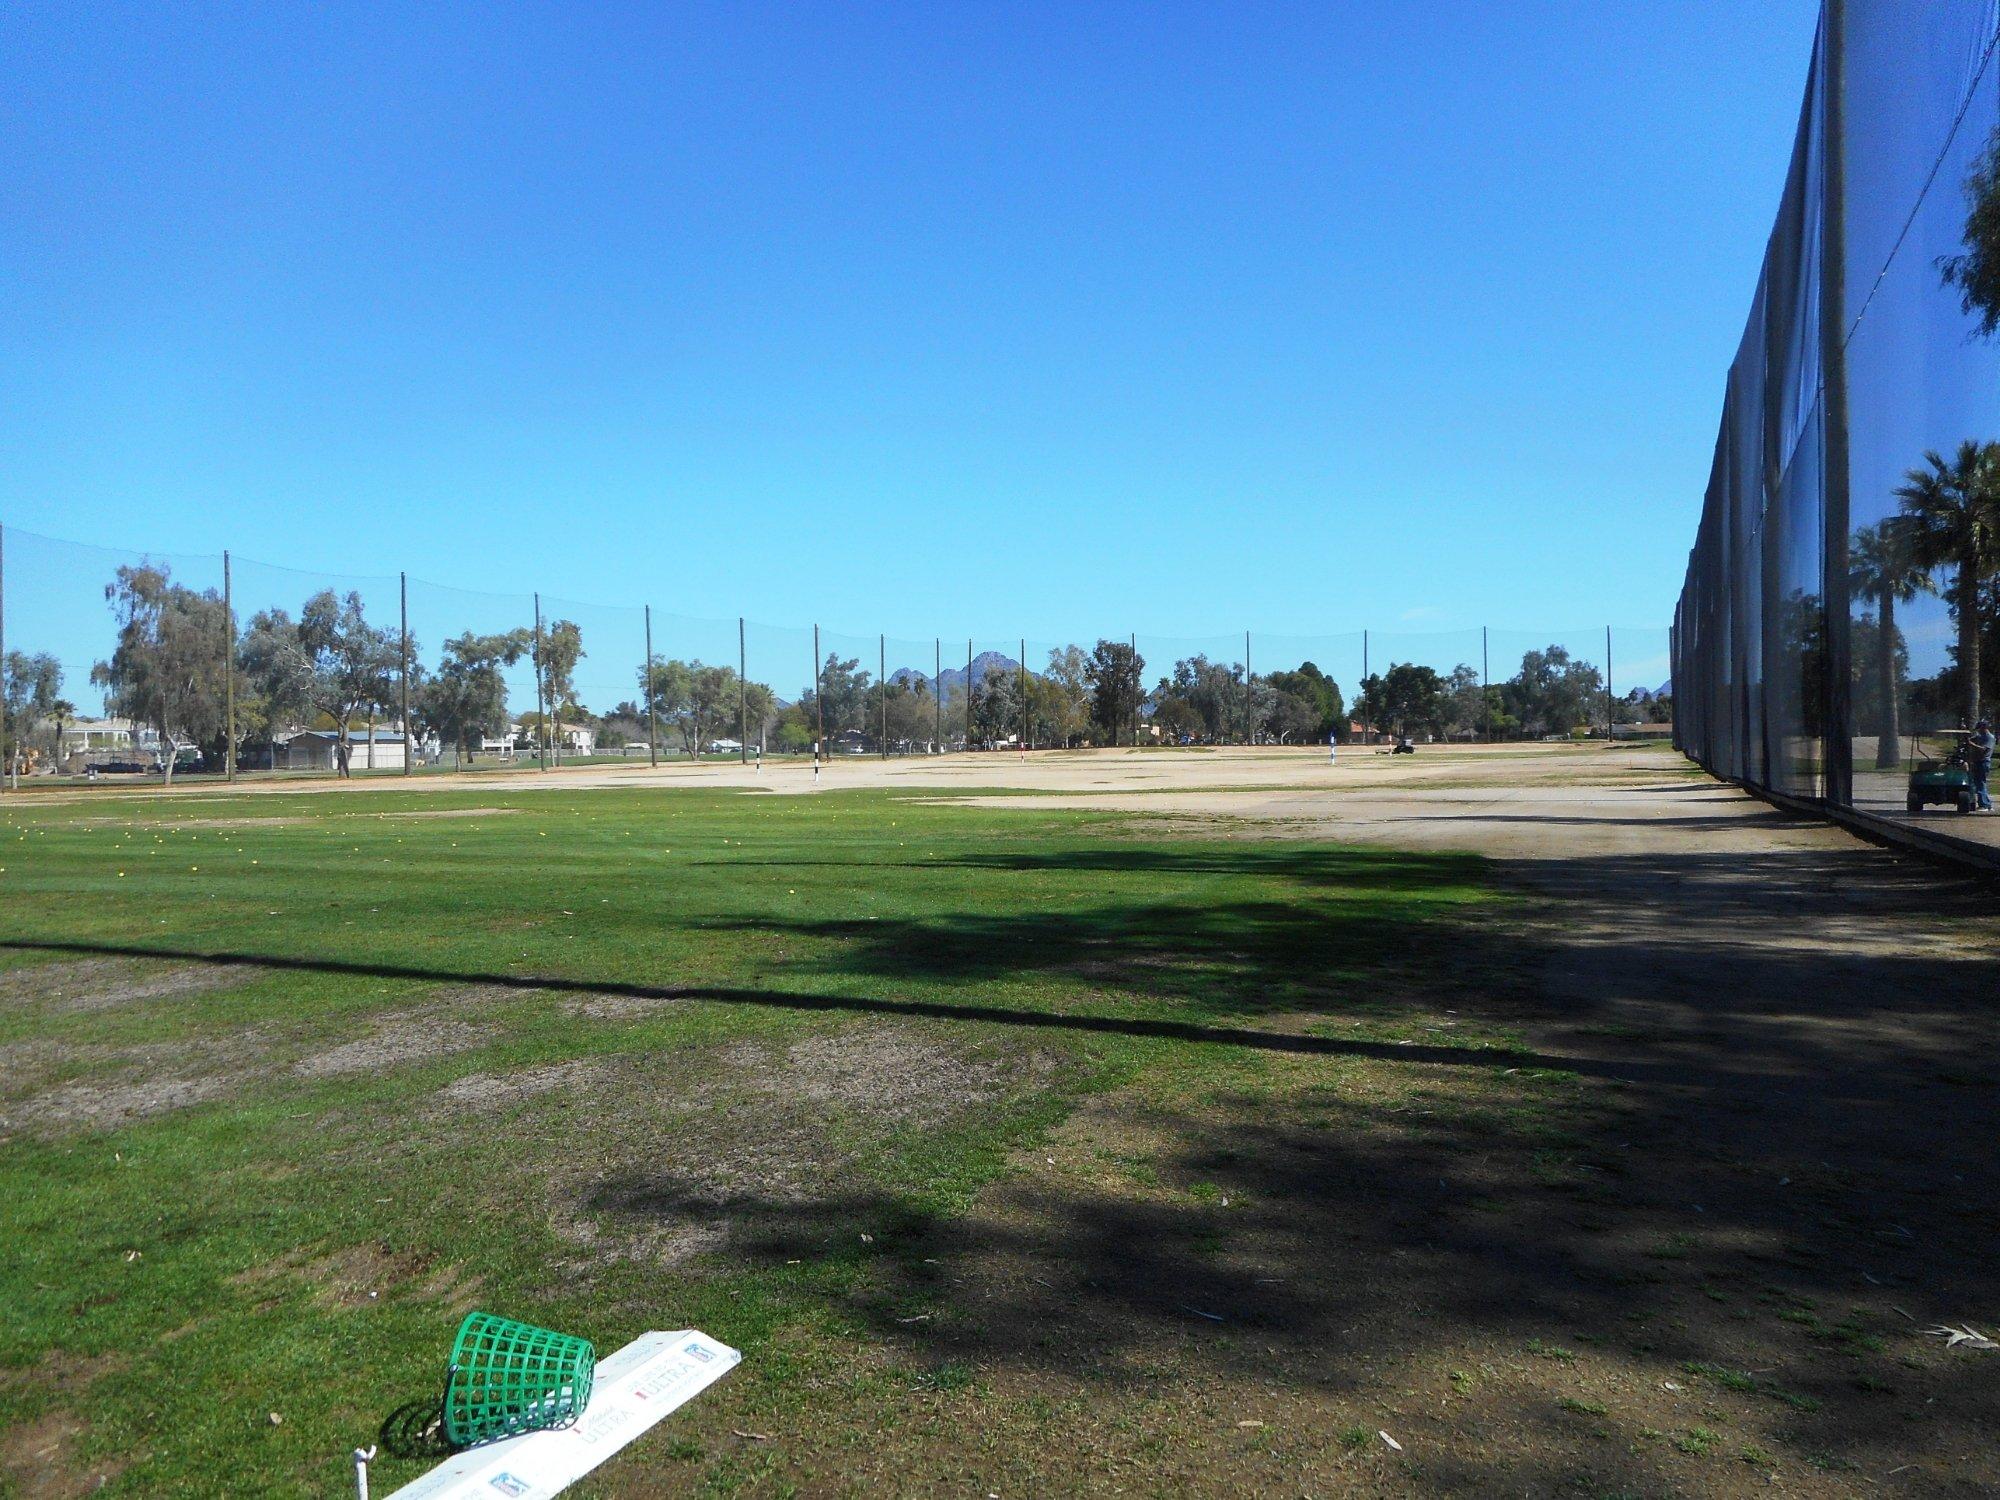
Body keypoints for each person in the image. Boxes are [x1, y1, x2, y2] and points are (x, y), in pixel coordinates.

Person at [1969, 718, 1995, 812]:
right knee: (1979, 782)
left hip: (1983, 762)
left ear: (1984, 727)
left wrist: (1972, 744)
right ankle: (1987, 804)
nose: (1978, 730)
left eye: (1979, 728)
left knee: (1980, 783)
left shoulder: (1989, 737)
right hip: (1978, 761)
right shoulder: (1980, 736)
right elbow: (1973, 739)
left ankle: (1983, 805)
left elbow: (1984, 749)